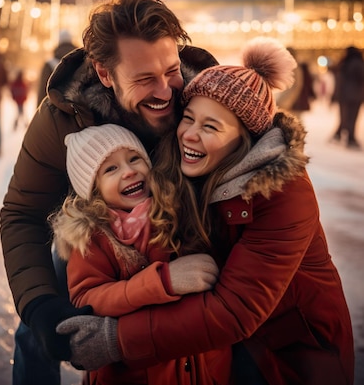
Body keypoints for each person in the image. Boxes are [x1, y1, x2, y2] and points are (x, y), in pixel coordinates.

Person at [59, 37, 354, 385]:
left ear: (244, 138)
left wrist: (117, 339)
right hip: (224, 351)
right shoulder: (183, 172)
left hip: (289, 358)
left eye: (211, 126)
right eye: (188, 118)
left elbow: (233, 311)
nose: (190, 135)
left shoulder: (284, 193)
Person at [0, 0, 219, 385]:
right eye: (144, 79)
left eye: (171, 70)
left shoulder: (205, 101)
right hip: (98, 235)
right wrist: (40, 305)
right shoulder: (61, 120)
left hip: (178, 231)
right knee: (37, 324)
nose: (167, 91)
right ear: (105, 73)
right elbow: (23, 213)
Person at [51, 123, 230, 385]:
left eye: (134, 158)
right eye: (111, 169)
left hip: (198, 368)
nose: (129, 171)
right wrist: (162, 281)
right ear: (94, 191)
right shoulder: (92, 237)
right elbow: (86, 298)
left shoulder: (175, 208)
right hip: (134, 373)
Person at [330, 45, 364, 150]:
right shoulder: (358, 63)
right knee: (352, 118)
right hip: (355, 96)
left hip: (344, 95)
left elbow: (338, 78)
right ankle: (350, 138)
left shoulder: (344, 62)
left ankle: (339, 134)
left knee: (344, 116)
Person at [37, 29, 78, 106]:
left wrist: (38, 111)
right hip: (78, 113)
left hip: (53, 112)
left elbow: (42, 92)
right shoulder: (81, 61)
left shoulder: (49, 64)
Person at [275, 48, 314, 118]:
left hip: (294, 104)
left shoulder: (294, 68)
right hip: (291, 103)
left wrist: (287, 102)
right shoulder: (291, 67)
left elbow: (296, 86)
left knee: (294, 124)